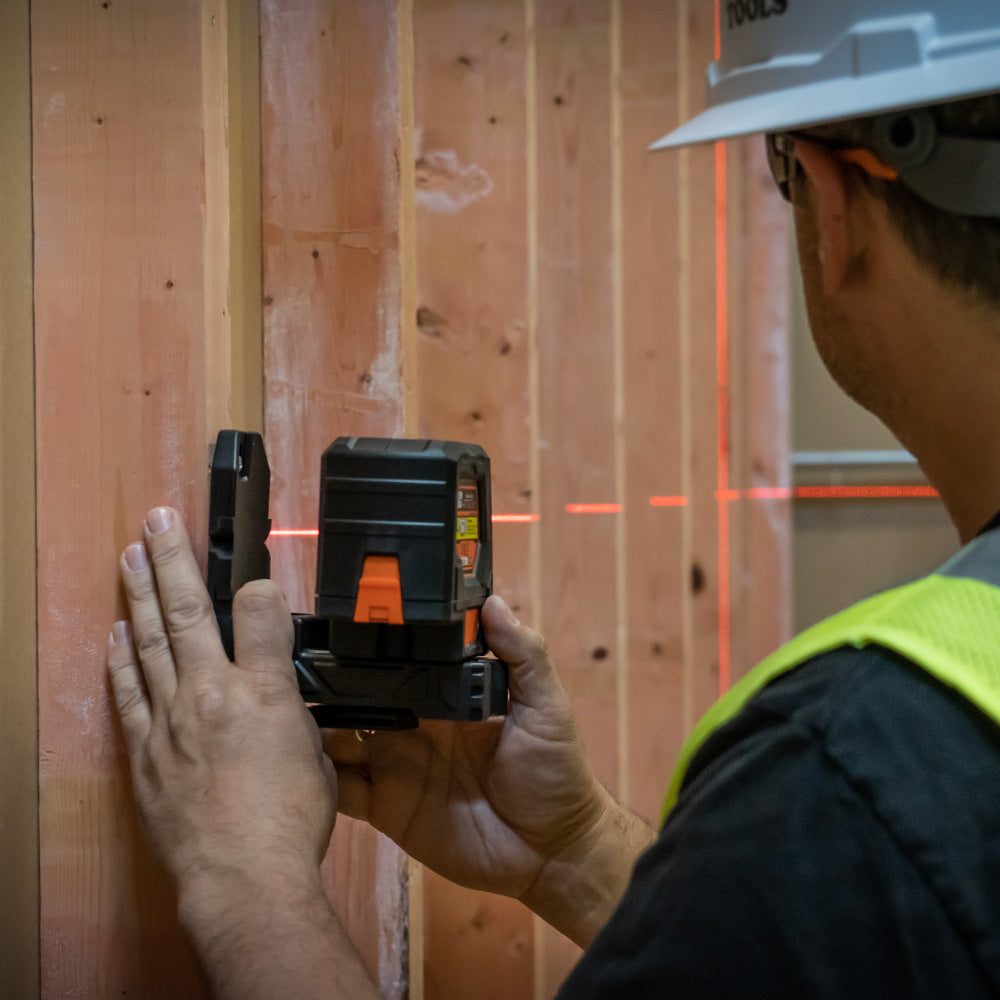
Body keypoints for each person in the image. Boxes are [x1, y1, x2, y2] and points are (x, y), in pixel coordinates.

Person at [107, 3, 1000, 997]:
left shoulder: (854, 768)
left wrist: (248, 879)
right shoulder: (897, 782)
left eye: (779, 172)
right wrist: (577, 854)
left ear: (831, 205)